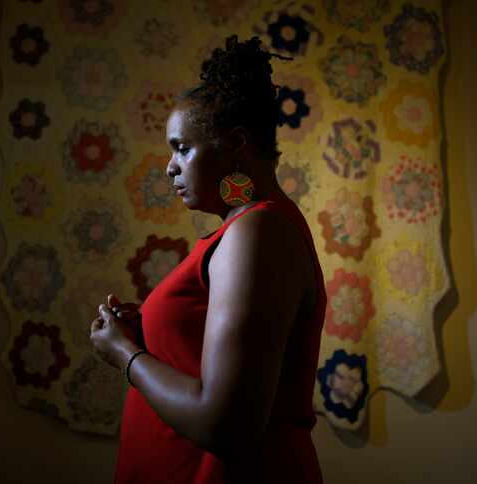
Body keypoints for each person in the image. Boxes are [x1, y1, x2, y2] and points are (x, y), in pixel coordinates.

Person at [90, 35, 327, 484]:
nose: (169, 167)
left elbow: (226, 426)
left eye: (182, 147)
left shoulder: (257, 233)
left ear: (235, 144)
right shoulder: (241, 225)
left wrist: (123, 352)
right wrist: (155, 336)